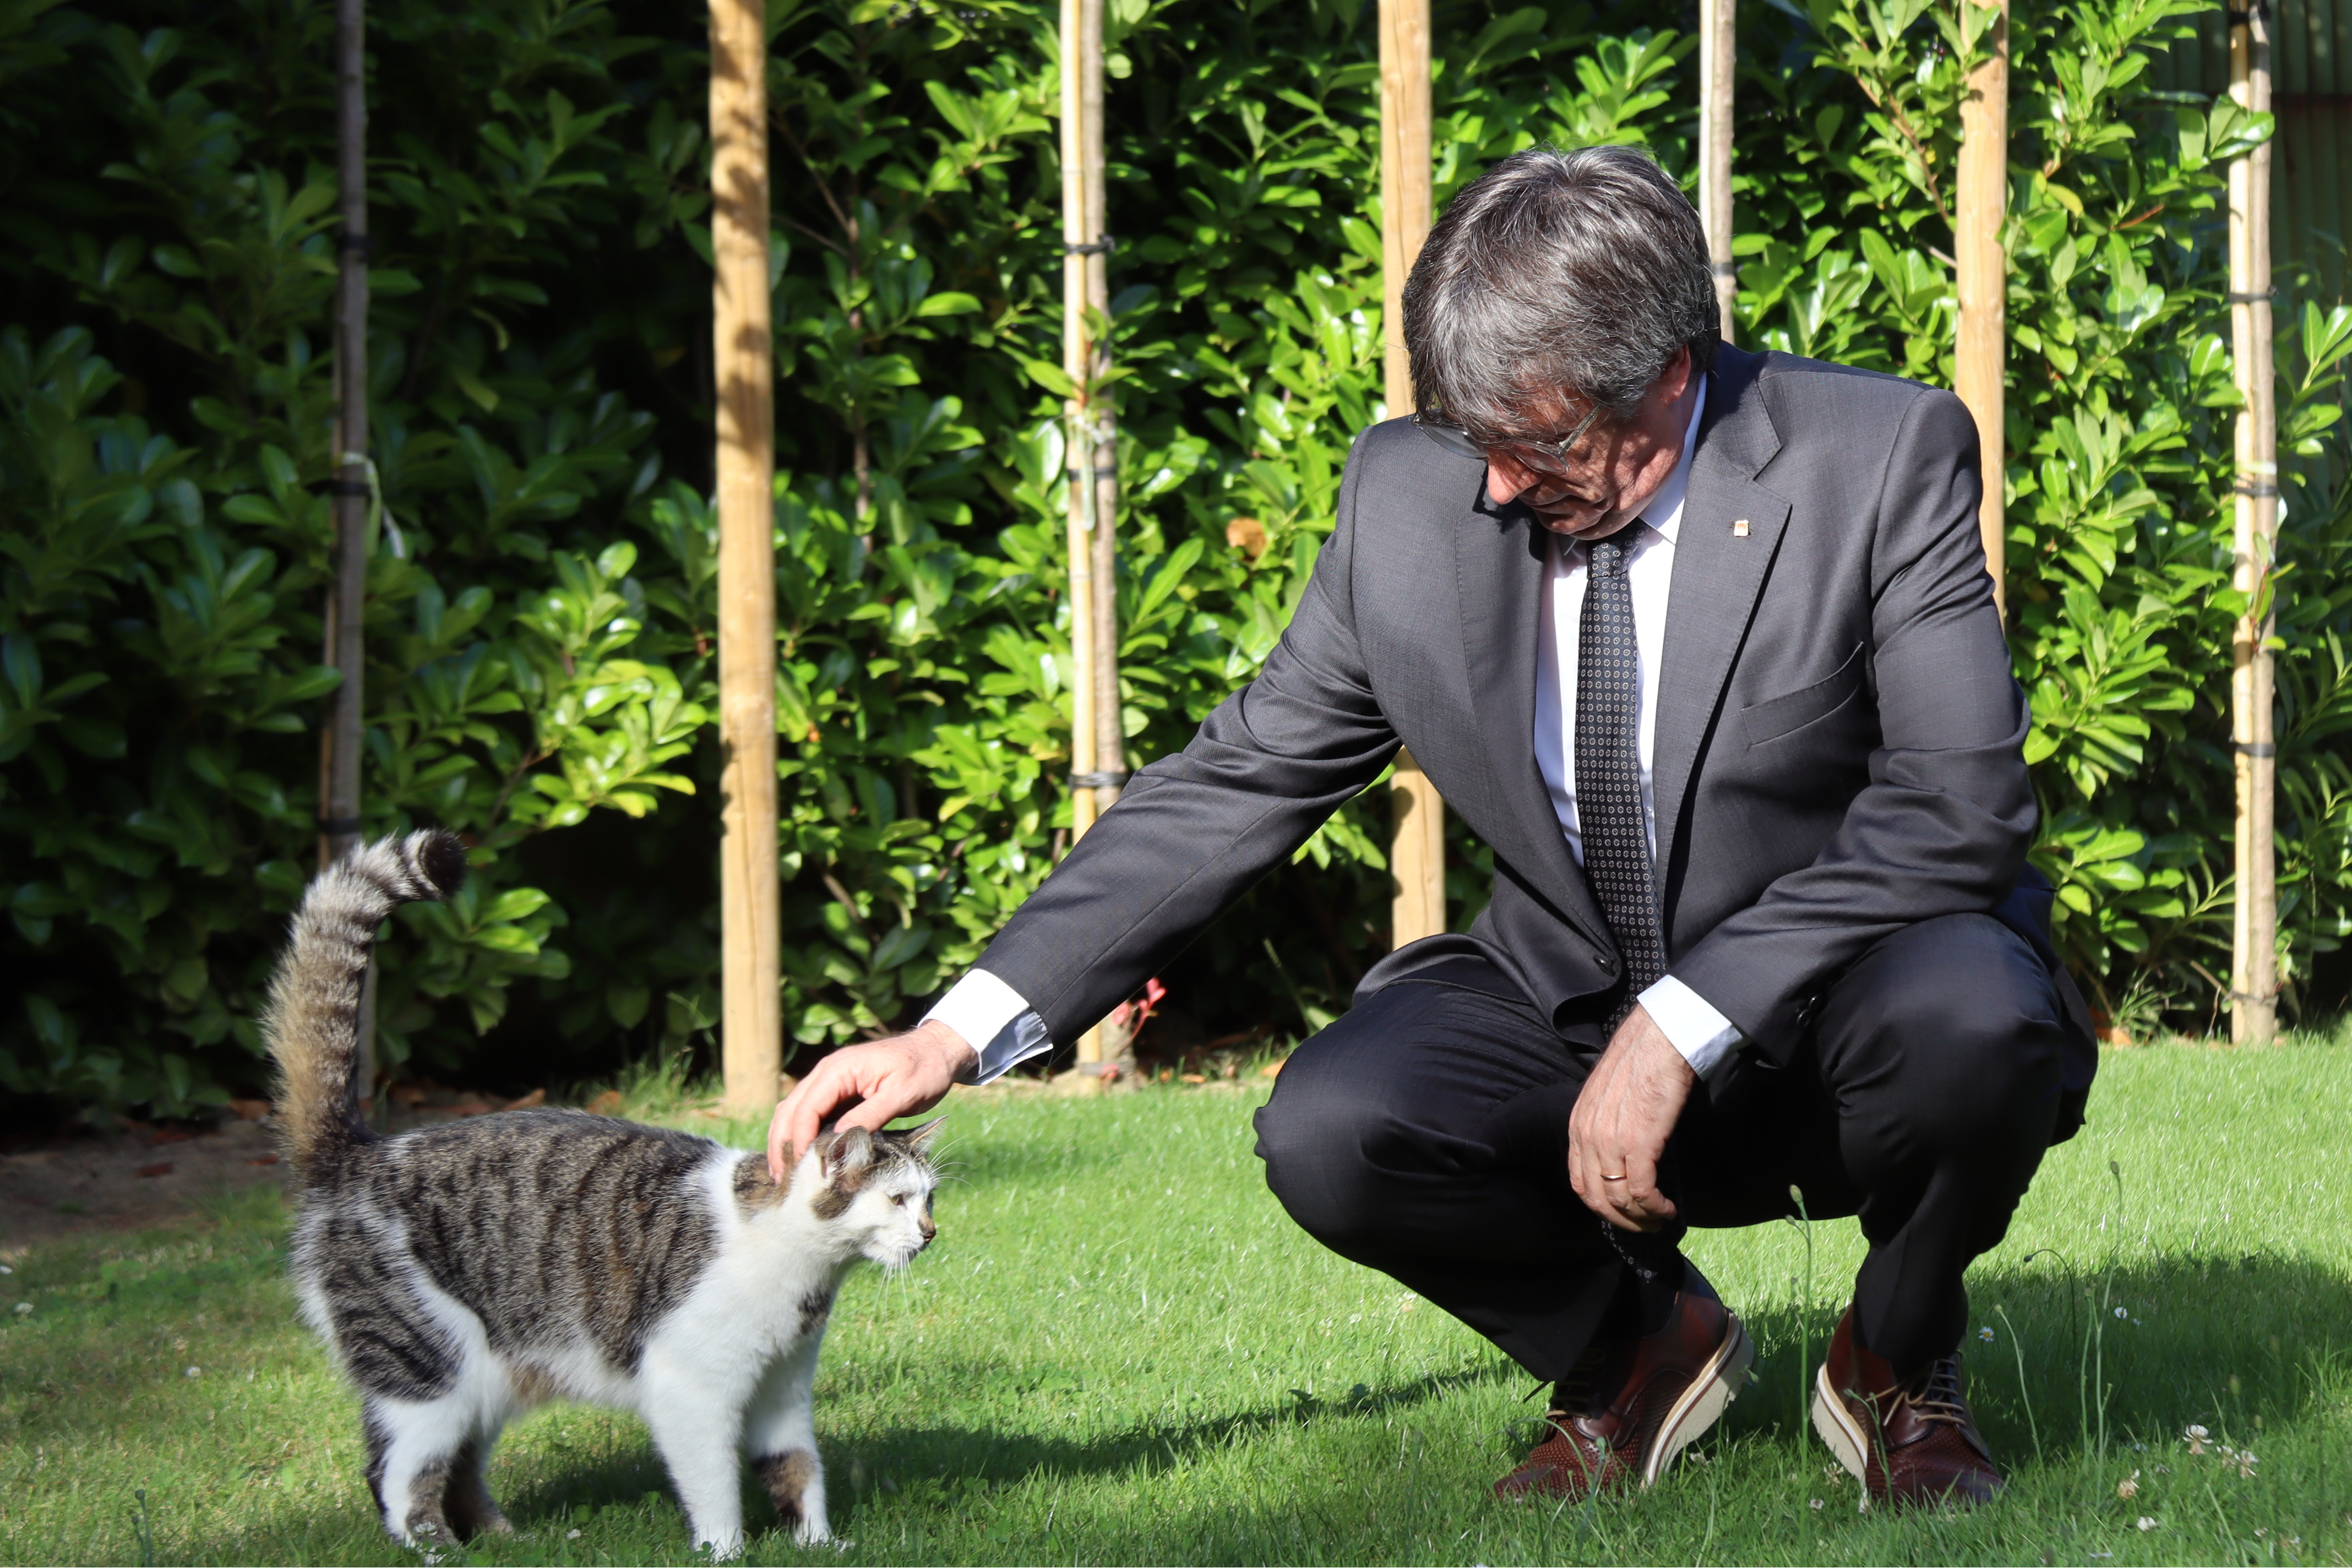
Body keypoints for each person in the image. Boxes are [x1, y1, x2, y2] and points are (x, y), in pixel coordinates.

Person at [765, 145, 2094, 1508]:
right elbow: (1242, 774)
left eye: (1542, 442)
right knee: (1334, 1123)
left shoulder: (1878, 456)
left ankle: (1895, 1355)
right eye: (1476, 438)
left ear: (1671, 379)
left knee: (1978, 1016)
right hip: (1570, 996)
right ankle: (1632, 1346)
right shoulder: (1408, 498)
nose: (1501, 489)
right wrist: (950, 1030)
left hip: (1837, 1002)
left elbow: (1959, 803)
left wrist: (1688, 1014)